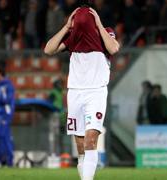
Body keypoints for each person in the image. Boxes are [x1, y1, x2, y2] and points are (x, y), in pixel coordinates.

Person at [44, 0, 119, 179]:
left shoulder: (106, 32)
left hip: (96, 91)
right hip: (75, 91)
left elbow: (114, 48)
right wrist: (66, 27)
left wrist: (99, 24)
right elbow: (48, 49)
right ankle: (84, 170)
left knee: (91, 138)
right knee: (80, 144)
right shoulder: (72, 37)